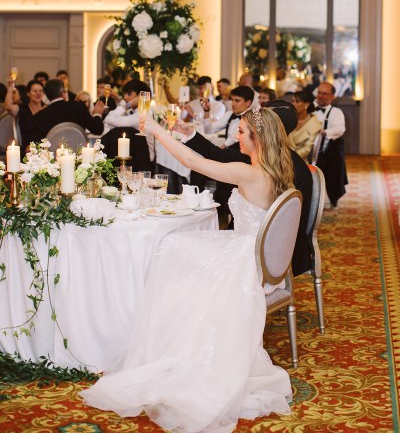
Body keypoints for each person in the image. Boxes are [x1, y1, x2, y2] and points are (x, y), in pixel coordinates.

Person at [81, 107, 293, 429]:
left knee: (171, 251)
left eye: (241, 132)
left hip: (244, 260)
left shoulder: (249, 173)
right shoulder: (274, 170)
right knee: (179, 247)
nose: (236, 137)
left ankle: (167, 350)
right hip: (250, 253)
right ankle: (166, 340)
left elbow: (194, 163)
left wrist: (156, 130)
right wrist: (183, 131)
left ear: (257, 139)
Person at [178, 100, 312, 277]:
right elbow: (217, 155)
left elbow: (293, 220)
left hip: (275, 250)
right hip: (273, 246)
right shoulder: (288, 163)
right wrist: (190, 133)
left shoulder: (260, 163)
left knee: (185, 252)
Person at [31, 78, 105, 141]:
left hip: (53, 155)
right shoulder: (78, 106)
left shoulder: (40, 116)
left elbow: (37, 142)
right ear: (63, 93)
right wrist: (97, 114)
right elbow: (97, 129)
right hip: (78, 153)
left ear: (46, 96)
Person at [315, 82, 348, 207]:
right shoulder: (310, 108)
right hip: (312, 150)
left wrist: (324, 132)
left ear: (332, 96)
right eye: (319, 93)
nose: (321, 96)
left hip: (330, 149)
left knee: (333, 177)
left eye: (325, 93)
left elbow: (340, 129)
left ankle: (334, 199)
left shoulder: (336, 112)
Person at [104, 79, 155, 160]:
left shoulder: (141, 116)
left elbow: (108, 119)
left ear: (140, 96)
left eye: (129, 94)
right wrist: (120, 100)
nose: (125, 97)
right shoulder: (143, 112)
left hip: (143, 161)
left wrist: (127, 105)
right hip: (136, 156)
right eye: (125, 94)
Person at [4, 77, 46, 154]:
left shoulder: (47, 109)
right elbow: (8, 106)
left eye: (40, 91)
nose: (38, 93)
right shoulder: (23, 109)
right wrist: (10, 88)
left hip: (44, 151)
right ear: (28, 93)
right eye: (35, 91)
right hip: (25, 150)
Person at [288, 90, 322, 161]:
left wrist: (289, 157)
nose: (293, 104)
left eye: (297, 101)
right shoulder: (288, 119)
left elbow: (307, 149)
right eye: (292, 101)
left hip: (301, 161)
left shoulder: (315, 124)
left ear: (306, 104)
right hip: (283, 159)